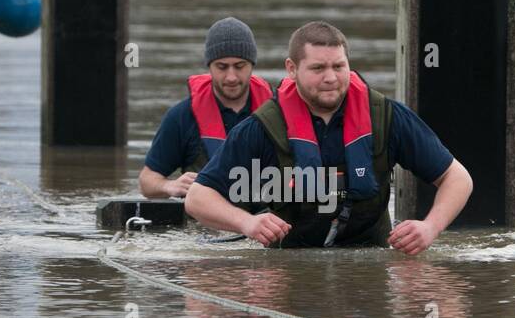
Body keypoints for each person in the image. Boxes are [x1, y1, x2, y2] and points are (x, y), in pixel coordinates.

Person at [186, 21, 472, 254]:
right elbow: (198, 199)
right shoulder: (260, 128)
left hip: (370, 263)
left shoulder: (388, 117)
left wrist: (430, 227)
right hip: (291, 267)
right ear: (292, 69)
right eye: (318, 68)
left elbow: (458, 179)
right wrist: (247, 223)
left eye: (338, 66)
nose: (331, 78)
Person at [138, 17, 273, 199]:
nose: (231, 77)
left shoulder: (278, 114)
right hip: (203, 222)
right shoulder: (181, 117)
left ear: (252, 65)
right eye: (222, 67)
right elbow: (147, 181)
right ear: (209, 66)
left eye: (240, 66)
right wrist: (169, 186)